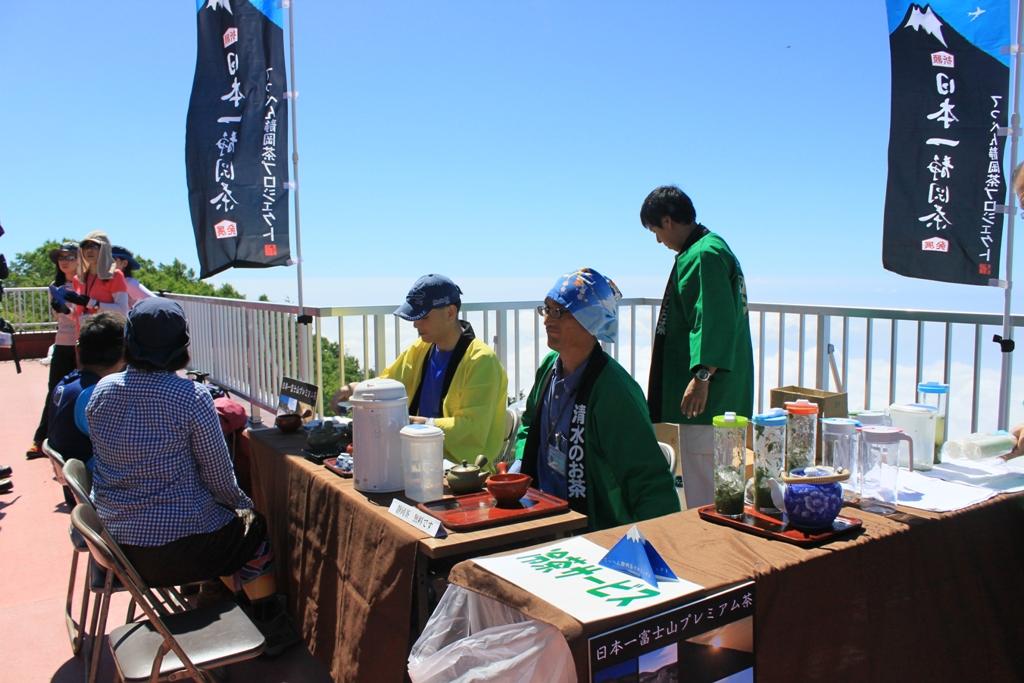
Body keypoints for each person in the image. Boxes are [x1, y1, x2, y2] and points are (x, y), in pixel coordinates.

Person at [86, 298, 299, 655]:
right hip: (179, 552)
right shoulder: (192, 397)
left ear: (129, 342)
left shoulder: (102, 391)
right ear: (181, 346)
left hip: (119, 549)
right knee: (252, 529)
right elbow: (220, 478)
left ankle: (215, 593)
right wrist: (244, 506)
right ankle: (268, 622)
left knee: (216, 523)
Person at [513, 268, 680, 531]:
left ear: (590, 320)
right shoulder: (549, 368)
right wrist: (520, 462)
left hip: (591, 529)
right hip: (540, 512)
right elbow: (529, 421)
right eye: (546, 309)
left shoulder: (614, 390)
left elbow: (646, 478)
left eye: (559, 312)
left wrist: (657, 539)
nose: (547, 320)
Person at [640, 185, 754, 508]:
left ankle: (709, 539)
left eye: (656, 231)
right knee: (724, 483)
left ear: (668, 221)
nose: (659, 240)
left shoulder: (704, 254)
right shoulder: (712, 247)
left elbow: (712, 318)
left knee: (707, 490)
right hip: (724, 393)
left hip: (711, 398)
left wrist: (702, 377)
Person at [331, 274, 509, 466]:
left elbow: (471, 428)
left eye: (423, 317)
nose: (415, 324)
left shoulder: (482, 360)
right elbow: (388, 384)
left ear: (450, 312)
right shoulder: (421, 348)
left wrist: (416, 425)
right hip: (417, 460)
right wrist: (355, 389)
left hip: (465, 472)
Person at [46, 312, 125, 508]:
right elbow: (126, 450)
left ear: (78, 350)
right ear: (125, 354)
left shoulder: (67, 384)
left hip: (77, 492)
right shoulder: (94, 395)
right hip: (100, 496)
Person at [27, 242, 82, 459]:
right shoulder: (55, 286)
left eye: (69, 257)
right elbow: (60, 316)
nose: (64, 262)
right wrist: (64, 309)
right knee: (55, 391)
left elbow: (84, 312)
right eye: (61, 257)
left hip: (84, 344)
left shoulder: (86, 284)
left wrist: (68, 309)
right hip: (63, 343)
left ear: (79, 260)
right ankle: (41, 439)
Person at [67, 231, 130, 322]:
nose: (89, 250)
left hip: (108, 330)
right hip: (84, 330)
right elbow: (78, 316)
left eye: (94, 246)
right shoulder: (78, 279)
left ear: (105, 249)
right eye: (85, 246)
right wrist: (65, 310)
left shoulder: (115, 275)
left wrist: (93, 303)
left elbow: (122, 311)